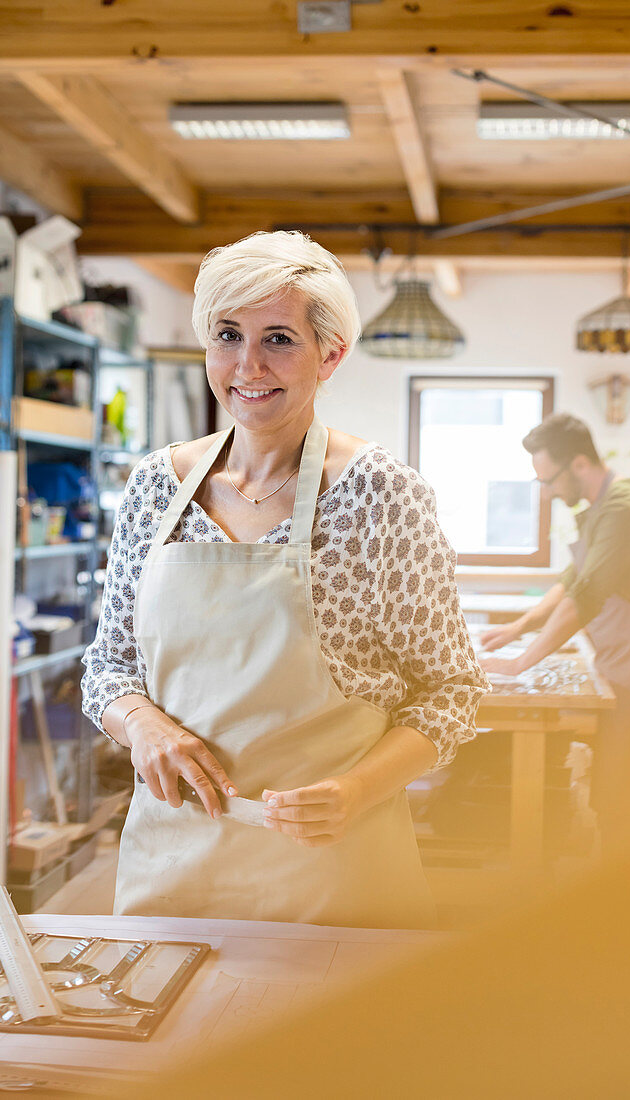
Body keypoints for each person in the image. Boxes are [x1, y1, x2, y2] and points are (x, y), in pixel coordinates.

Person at [81, 230, 486, 928]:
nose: (247, 365)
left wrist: (356, 791)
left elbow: (450, 693)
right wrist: (141, 726)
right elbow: (108, 665)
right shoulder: (156, 485)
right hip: (174, 862)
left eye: (278, 339)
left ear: (330, 354)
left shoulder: (381, 495)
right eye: (228, 334)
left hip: (333, 869)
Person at [479, 412, 630, 854]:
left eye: (549, 480)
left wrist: (521, 662)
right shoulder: (600, 509)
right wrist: (518, 628)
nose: (549, 493)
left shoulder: (623, 508)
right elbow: (571, 582)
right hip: (626, 660)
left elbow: (586, 596)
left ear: (578, 464)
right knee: (617, 785)